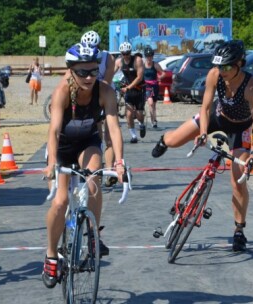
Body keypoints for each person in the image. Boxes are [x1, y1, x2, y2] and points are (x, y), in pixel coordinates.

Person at [151, 40, 253, 252]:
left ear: (240, 63)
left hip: (241, 130)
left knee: (238, 180)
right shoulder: (215, 75)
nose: (222, 71)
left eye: (227, 67)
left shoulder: (250, 85)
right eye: (219, 66)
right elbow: (204, 108)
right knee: (175, 140)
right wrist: (204, 133)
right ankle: (164, 139)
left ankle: (239, 230)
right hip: (216, 118)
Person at [42, 43, 125, 288]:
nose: (89, 77)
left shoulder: (105, 91)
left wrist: (119, 162)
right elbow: (54, 129)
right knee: (60, 201)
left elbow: (114, 128)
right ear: (72, 71)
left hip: (87, 143)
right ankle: (50, 255)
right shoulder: (62, 92)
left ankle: (93, 237)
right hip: (62, 146)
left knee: (94, 180)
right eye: (82, 72)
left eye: (93, 70)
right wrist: (50, 164)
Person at [80, 30, 118, 187]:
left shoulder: (108, 57)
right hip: (90, 96)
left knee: (109, 136)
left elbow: (107, 81)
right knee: (96, 136)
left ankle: (109, 170)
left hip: (105, 93)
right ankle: (97, 169)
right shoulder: (81, 56)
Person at [114, 42, 145, 143]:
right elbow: (111, 73)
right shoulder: (119, 62)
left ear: (130, 52)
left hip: (139, 89)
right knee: (129, 114)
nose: (125, 55)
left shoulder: (137, 60)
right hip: (128, 90)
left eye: (127, 53)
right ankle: (133, 136)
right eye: (123, 53)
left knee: (140, 114)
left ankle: (141, 124)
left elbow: (139, 77)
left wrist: (128, 87)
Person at [143, 46, 164, 128]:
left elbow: (163, 73)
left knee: (154, 105)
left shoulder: (155, 64)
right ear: (145, 56)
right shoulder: (142, 65)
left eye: (150, 56)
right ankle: (152, 120)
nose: (149, 58)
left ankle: (154, 120)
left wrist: (159, 78)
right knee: (150, 103)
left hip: (154, 86)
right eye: (147, 56)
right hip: (146, 86)